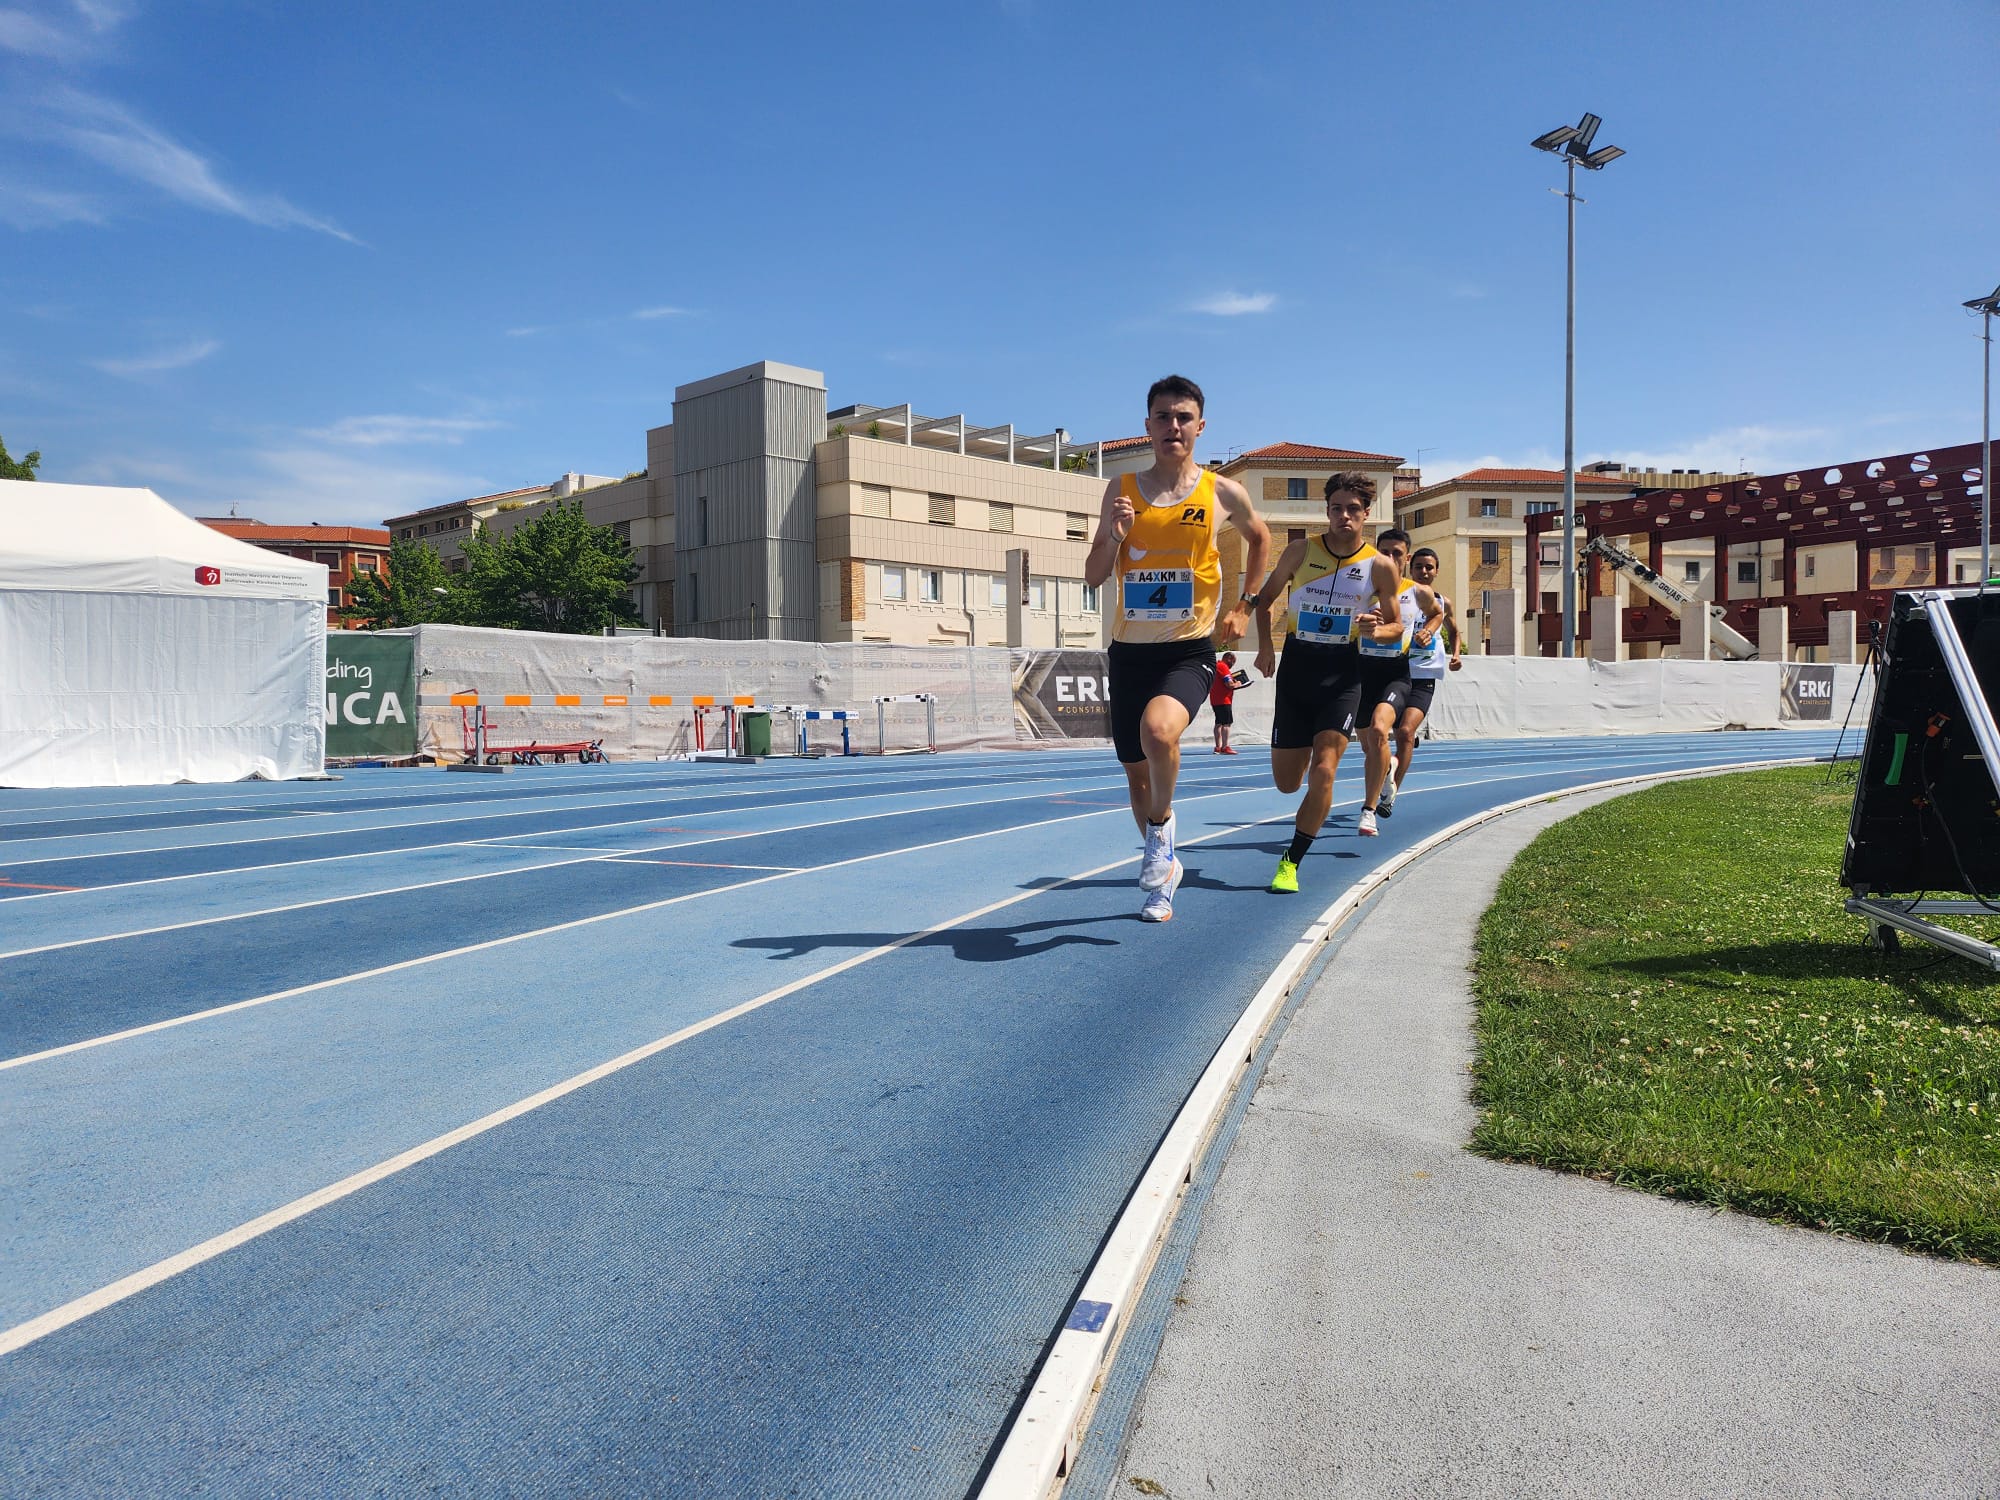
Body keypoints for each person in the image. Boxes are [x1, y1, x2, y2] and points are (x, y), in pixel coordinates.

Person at [1085, 375, 1270, 922]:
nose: (1173, 426)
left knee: (1160, 732)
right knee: (1136, 774)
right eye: (1163, 416)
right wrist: (1115, 537)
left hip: (1188, 649)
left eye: (1183, 417)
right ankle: (1162, 876)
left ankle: (1162, 833)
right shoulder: (1121, 489)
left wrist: (1244, 607)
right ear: (1147, 426)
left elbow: (1261, 539)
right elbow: (1094, 575)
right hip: (1129, 651)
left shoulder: (1221, 492)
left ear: (1200, 426)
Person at [1250, 472, 1402, 894]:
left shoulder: (1380, 566)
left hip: (1343, 676)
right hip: (1297, 672)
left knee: (1324, 771)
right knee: (1287, 783)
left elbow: (1396, 629)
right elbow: (1265, 601)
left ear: (1366, 514)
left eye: (1353, 509)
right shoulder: (1301, 551)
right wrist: (1266, 648)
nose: (1344, 516)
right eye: (1337, 508)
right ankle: (1303, 802)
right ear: (1327, 511)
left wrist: (1376, 630)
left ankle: (1290, 862)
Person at [1358, 529, 1443, 819]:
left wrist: (1429, 633)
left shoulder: (1419, 592)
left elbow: (1440, 616)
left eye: (1397, 553)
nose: (1390, 559)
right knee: (1371, 746)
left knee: (1403, 732)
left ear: (1406, 557)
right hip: (1370, 671)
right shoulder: (1362, 588)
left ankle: (1386, 797)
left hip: (1411, 674)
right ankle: (1385, 775)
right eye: (1384, 552)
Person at [1383, 545, 1462, 811]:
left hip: (1424, 674)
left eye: (1429, 567)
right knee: (1383, 734)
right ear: (1410, 567)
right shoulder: (1395, 595)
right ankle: (1384, 775)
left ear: (1437, 571)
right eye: (1419, 567)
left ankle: (1392, 791)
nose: (1424, 571)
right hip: (1394, 672)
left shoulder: (1441, 602)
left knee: (1406, 732)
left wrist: (1457, 654)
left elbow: (1454, 631)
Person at [1209, 651, 1247, 754]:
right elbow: (1229, 685)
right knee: (1227, 723)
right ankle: (1225, 746)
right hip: (1224, 700)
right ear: (1229, 658)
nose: (1233, 664)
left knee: (1218, 723)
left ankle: (1218, 747)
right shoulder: (1223, 667)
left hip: (1215, 699)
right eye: (1233, 661)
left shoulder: (1216, 666)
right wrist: (1238, 683)